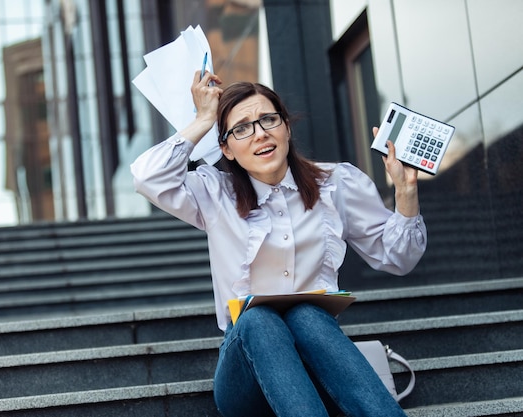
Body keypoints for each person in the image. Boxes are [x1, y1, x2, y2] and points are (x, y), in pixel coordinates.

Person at [130, 71, 427, 417]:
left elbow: (398, 257)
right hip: (247, 376)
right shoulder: (214, 194)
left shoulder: (336, 184)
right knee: (258, 320)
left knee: (307, 315)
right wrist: (204, 119)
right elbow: (147, 177)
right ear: (226, 147)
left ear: (286, 127)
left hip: (320, 365)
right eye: (241, 129)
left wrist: (405, 195)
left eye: (268, 120)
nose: (260, 134)